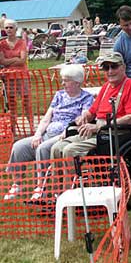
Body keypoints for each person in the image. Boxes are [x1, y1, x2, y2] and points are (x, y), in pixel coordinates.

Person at [4, 64, 94, 200]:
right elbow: (47, 118)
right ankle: (17, 184)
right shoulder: (59, 95)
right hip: (48, 133)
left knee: (42, 148)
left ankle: (41, 187)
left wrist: (72, 126)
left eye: (66, 80)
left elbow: (83, 120)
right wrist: (37, 134)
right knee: (19, 146)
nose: (63, 83)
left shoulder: (86, 98)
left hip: (65, 135)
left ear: (77, 82)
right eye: (62, 79)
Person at [51, 51, 131, 162]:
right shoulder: (106, 87)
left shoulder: (130, 85)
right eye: (106, 68)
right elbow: (92, 112)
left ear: (123, 67)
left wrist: (102, 125)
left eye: (114, 67)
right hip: (99, 133)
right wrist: (84, 117)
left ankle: (74, 178)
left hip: (115, 134)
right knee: (56, 148)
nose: (110, 71)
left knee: (70, 150)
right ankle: (62, 179)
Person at [0, 19, 33, 134]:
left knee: (26, 101)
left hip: (22, 76)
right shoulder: (2, 44)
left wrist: (9, 61)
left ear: (15, 29)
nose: (9, 29)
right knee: (12, 103)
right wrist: (15, 59)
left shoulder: (22, 42)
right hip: (8, 78)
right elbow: (2, 61)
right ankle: (13, 130)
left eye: (11, 27)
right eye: (6, 27)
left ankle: (32, 127)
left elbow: (23, 60)